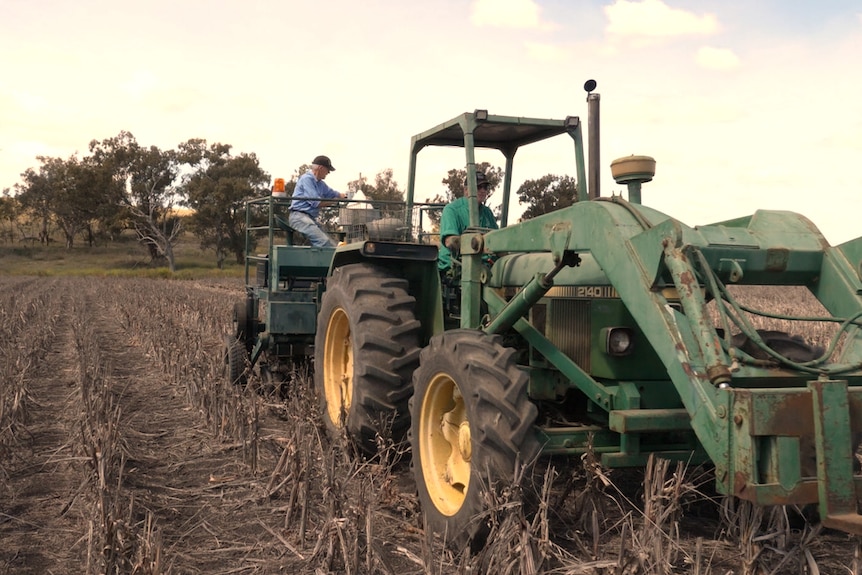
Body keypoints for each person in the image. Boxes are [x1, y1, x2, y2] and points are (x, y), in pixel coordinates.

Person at [438, 170, 498, 275]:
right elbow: (450, 241)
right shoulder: (452, 210)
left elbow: (497, 238)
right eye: (478, 187)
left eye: (485, 187)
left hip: (483, 266)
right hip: (455, 267)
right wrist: (479, 246)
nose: (483, 190)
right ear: (466, 190)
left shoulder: (487, 212)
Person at [288, 155, 347, 247]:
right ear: (320, 168)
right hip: (298, 217)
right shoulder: (307, 179)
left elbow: (331, 192)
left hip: (309, 218)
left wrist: (342, 195)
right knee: (324, 242)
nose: (328, 173)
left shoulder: (320, 183)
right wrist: (335, 201)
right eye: (328, 170)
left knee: (333, 244)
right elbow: (316, 203)